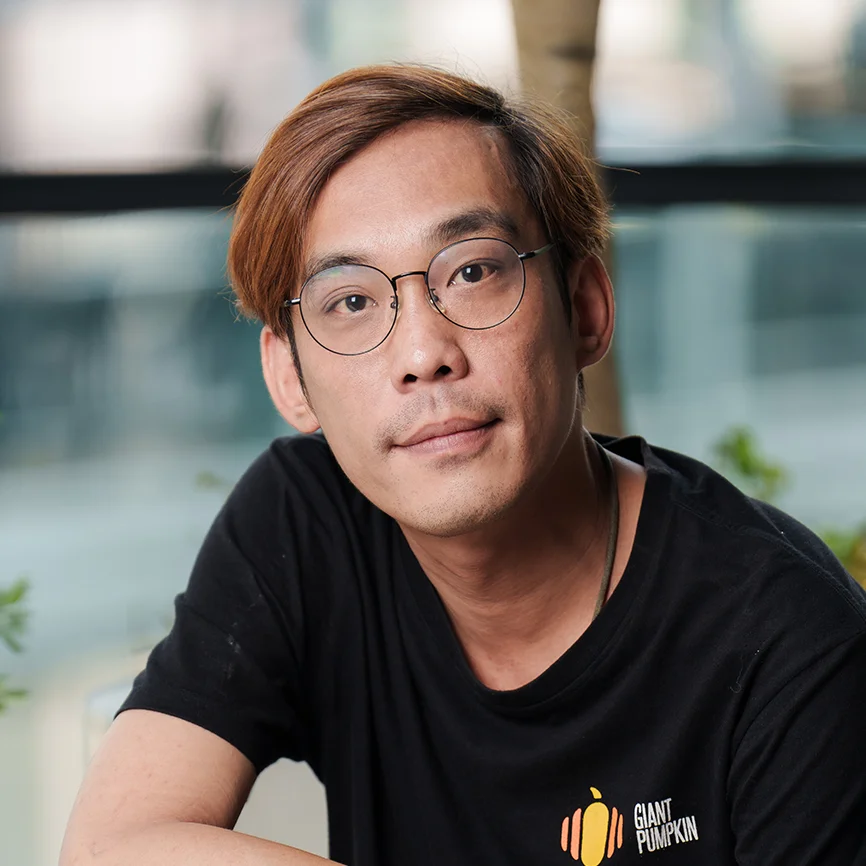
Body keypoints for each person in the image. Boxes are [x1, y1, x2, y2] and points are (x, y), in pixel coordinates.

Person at [60, 65, 866, 866]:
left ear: (586, 309)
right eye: (351, 301)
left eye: (473, 271)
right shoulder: (309, 521)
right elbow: (111, 847)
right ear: (288, 379)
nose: (423, 354)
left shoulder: (791, 639)